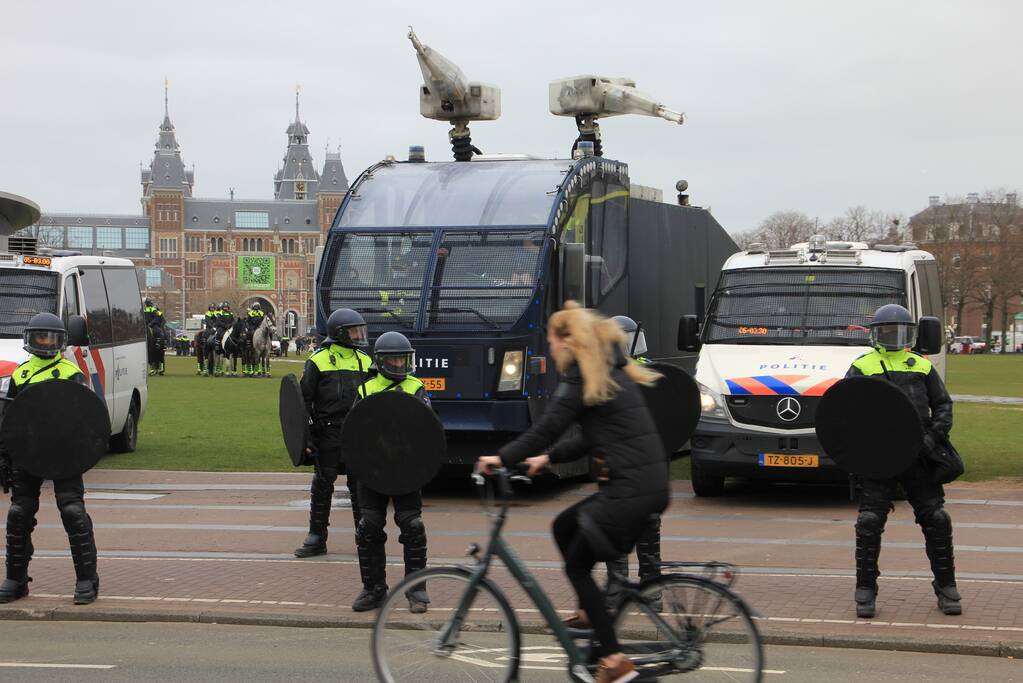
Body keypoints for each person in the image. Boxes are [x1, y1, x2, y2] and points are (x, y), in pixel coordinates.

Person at [478, 302, 667, 683]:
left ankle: (613, 659)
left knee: (577, 565)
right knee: (564, 526)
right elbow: (589, 437)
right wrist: (546, 459)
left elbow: (547, 425)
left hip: (629, 491)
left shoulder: (583, 375)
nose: (549, 347)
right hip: (641, 486)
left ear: (569, 341)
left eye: (551, 340)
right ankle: (589, 611)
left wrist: (500, 458)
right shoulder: (607, 372)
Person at [847, 303, 959, 618]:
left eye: (899, 331)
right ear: (875, 334)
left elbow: (943, 406)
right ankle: (866, 589)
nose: (893, 336)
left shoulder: (921, 365)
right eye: (886, 331)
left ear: (909, 334)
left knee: (936, 519)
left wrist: (930, 439)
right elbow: (846, 411)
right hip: (879, 457)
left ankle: (946, 586)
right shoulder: (862, 366)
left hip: (919, 456)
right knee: (869, 522)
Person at [0, 313, 100, 605]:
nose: (45, 342)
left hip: (64, 453)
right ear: (30, 340)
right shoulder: (21, 374)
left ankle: (87, 579)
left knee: (72, 512)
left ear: (61, 342)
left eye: (51, 337)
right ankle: (16, 578)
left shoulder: (71, 373)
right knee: (19, 513)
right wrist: (5, 455)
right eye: (40, 337)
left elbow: (86, 419)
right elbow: (10, 419)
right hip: (28, 453)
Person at [352, 331, 431, 613]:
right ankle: (373, 589)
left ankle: (416, 589)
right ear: (382, 361)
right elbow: (355, 433)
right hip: (372, 471)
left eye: (403, 359)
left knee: (412, 526)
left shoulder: (415, 388)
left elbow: (428, 430)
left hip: (405, 470)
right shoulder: (366, 390)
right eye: (394, 359)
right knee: (368, 528)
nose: (399, 364)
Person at [295, 309, 373, 558]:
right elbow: (303, 400)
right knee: (323, 483)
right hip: (327, 431)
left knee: (359, 486)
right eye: (354, 331)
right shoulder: (318, 360)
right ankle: (316, 536)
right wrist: (304, 437)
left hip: (358, 432)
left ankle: (364, 538)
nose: (359, 335)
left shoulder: (366, 360)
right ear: (339, 333)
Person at [602, 315, 660, 611]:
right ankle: (651, 589)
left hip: (623, 464)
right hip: (648, 467)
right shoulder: (651, 373)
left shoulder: (616, 376)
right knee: (646, 529)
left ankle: (617, 586)